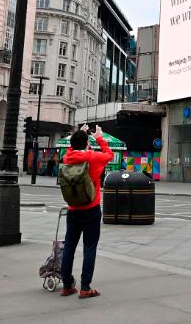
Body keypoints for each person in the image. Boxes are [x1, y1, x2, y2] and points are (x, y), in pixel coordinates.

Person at [59, 124, 113, 299]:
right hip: (91, 209)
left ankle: (67, 285)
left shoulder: (67, 157)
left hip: (73, 209)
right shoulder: (93, 157)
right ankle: (85, 287)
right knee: (90, 247)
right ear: (87, 144)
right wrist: (99, 137)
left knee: (69, 246)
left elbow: (72, 149)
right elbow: (109, 155)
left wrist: (79, 134)